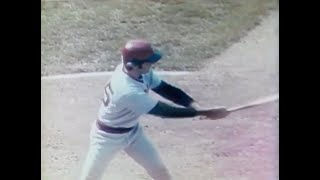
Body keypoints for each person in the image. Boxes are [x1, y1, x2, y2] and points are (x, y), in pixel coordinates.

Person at [79, 39, 230, 180]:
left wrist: (196, 107)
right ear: (136, 64)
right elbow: (164, 111)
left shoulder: (138, 72)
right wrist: (203, 113)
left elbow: (166, 90)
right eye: (149, 62)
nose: (152, 65)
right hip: (107, 137)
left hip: (133, 133)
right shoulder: (127, 90)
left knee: (160, 172)